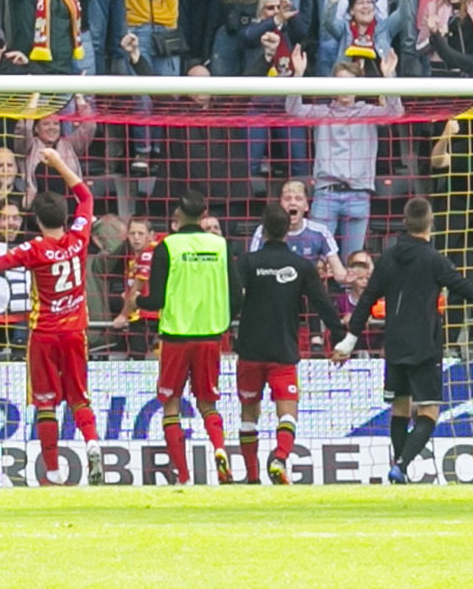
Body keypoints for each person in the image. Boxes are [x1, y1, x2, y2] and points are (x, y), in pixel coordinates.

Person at [0, 147, 100, 482]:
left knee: (45, 403)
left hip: (44, 335)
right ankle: (92, 443)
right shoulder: (79, 236)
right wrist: (58, 162)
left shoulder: (33, 250)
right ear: (64, 216)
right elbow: (85, 195)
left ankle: (55, 472)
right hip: (76, 332)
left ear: (38, 221)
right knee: (79, 397)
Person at [344, 204, 473, 483]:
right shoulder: (434, 260)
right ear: (430, 222)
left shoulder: (387, 258)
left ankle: (399, 468)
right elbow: (466, 290)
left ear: (404, 222)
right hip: (424, 345)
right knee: (429, 410)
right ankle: (402, 465)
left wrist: (349, 340)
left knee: (400, 408)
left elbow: (367, 300)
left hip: (394, 344)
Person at [141, 196, 243, 487]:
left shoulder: (168, 247)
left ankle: (183, 476)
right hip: (211, 336)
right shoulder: (220, 245)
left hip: (175, 336)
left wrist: (138, 299)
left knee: (171, 405)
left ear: (178, 214)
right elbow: (237, 295)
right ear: (204, 214)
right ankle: (220, 449)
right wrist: (222, 317)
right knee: (208, 403)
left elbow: (156, 298)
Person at [231, 209, 334, 485]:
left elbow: (232, 301)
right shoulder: (300, 265)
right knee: (287, 412)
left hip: (250, 351)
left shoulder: (247, 262)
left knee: (248, 413)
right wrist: (341, 335)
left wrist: (226, 329)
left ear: (263, 230)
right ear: (288, 230)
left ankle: (252, 477)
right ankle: (279, 457)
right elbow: (322, 303)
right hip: (284, 351)